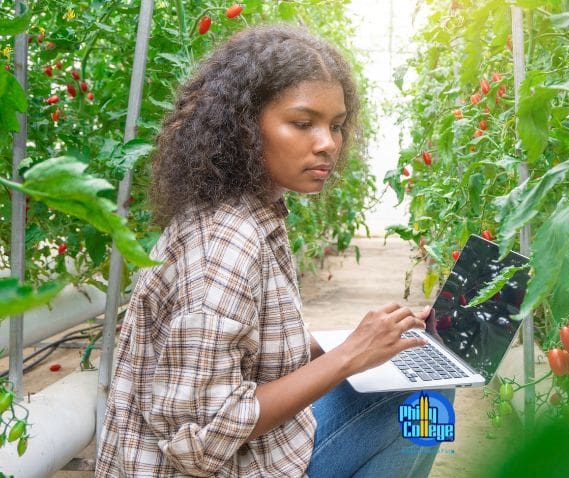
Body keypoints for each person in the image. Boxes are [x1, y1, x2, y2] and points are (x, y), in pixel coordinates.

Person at [95, 24, 452, 477]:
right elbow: (199, 440)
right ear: (244, 126)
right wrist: (348, 358)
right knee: (428, 400)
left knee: (418, 371)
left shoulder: (252, 213)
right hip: (212, 466)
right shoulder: (225, 245)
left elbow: (241, 353)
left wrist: (356, 340)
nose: (328, 143)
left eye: (336, 125)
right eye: (303, 123)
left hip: (248, 453)